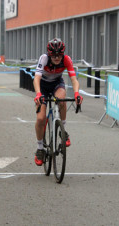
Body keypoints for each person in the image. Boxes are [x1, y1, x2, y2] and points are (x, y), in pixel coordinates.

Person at [33, 38, 83, 166]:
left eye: (59, 55)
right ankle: (40, 149)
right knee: (40, 118)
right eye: (54, 55)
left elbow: (74, 79)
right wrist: (38, 94)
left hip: (56, 84)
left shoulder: (67, 60)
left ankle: (63, 130)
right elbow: (36, 78)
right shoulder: (44, 59)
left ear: (63, 54)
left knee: (61, 98)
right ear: (49, 55)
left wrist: (77, 93)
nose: (56, 58)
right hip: (43, 86)